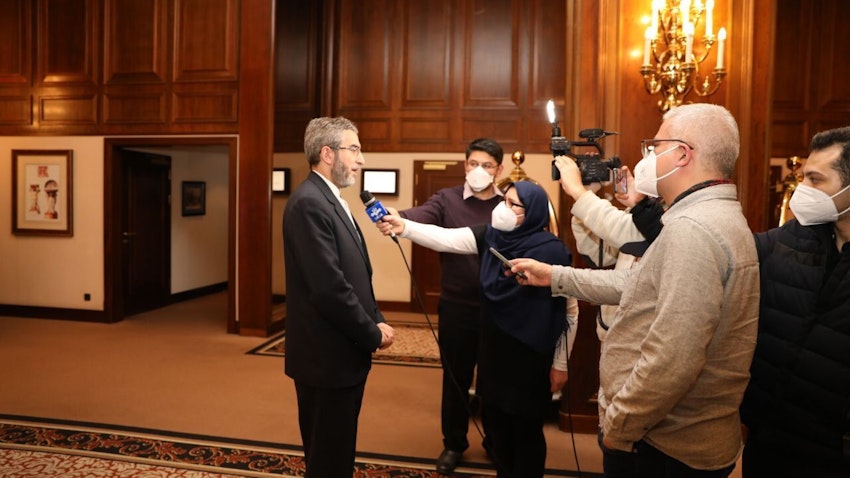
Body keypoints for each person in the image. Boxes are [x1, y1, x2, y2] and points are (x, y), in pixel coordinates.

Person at [511, 103, 760, 477]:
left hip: (664, 445)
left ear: (681, 154)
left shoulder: (692, 230)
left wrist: (619, 428)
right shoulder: (702, 217)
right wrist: (555, 276)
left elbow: (672, 361)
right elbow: (638, 284)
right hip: (671, 437)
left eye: (654, 147)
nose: (647, 157)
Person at [378, 180, 578, 478]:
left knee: (526, 433)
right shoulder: (490, 236)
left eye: (514, 205)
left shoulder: (553, 252)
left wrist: (561, 364)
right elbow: (445, 238)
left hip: (530, 357)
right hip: (494, 352)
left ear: (533, 211)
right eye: (504, 201)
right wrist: (403, 225)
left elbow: (571, 313)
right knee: (496, 428)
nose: (504, 209)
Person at [283, 116, 395, 477]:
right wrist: (372, 333)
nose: (361, 160)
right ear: (327, 154)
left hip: (342, 352)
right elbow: (329, 287)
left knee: (338, 450)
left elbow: (356, 273)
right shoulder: (309, 203)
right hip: (325, 357)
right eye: (355, 150)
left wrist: (375, 315)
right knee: (328, 458)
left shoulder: (333, 199)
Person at [738, 126, 850, 477]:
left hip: (832, 454)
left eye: (816, 180)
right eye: (803, 178)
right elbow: (725, 252)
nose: (803, 191)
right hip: (769, 438)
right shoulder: (794, 238)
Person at [394, 137, 505, 474]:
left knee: (495, 379)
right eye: (473, 164)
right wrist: (395, 217)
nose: (479, 171)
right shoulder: (447, 199)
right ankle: (454, 443)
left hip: (498, 307)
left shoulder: (507, 206)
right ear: (464, 165)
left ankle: (495, 440)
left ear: (498, 170)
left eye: (486, 165)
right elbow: (418, 217)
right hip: (456, 306)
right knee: (455, 378)